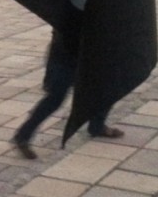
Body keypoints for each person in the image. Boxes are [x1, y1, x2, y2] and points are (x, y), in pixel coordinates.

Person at [12, 29, 124, 159]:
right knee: (55, 98)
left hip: (90, 52)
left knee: (106, 87)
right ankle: (23, 135)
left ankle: (97, 125)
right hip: (67, 54)